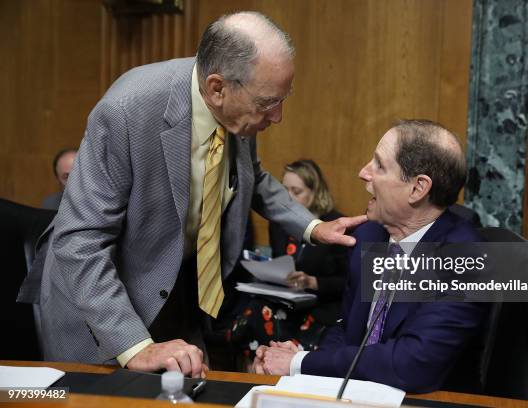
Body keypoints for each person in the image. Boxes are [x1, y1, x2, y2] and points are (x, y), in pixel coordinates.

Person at [24, 11, 365, 378]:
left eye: (284, 99)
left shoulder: (237, 106)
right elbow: (80, 241)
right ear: (217, 88)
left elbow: (254, 178)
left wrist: (314, 227)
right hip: (101, 308)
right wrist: (134, 347)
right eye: (268, 103)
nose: (278, 116)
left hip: (175, 291)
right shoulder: (125, 111)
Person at [254, 119, 486, 392]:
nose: (363, 172)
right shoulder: (369, 236)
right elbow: (347, 330)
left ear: (418, 188)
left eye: (379, 165)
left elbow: (414, 364)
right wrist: (305, 371)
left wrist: (299, 363)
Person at [232, 159, 348, 355]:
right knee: (252, 314)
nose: (290, 197)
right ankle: (255, 372)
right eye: (285, 191)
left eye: (297, 191)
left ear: (315, 192)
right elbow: (282, 263)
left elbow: (346, 283)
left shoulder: (333, 226)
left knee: (278, 327)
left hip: (320, 306)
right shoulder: (279, 224)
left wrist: (312, 282)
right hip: (285, 301)